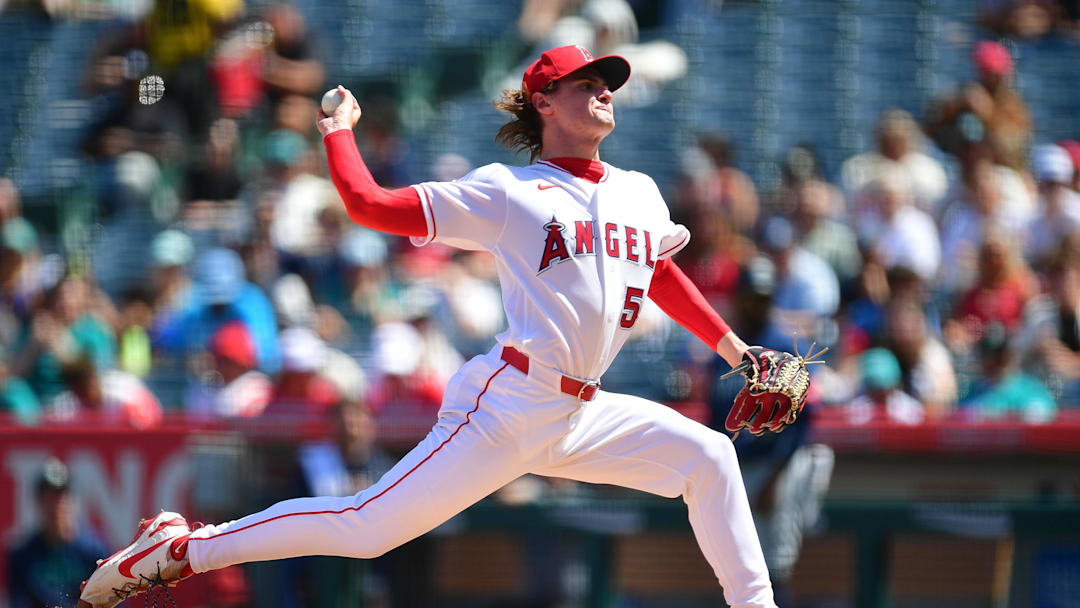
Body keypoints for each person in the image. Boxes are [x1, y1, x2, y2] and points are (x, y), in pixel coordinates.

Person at [80, 45, 784, 608]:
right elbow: (370, 205)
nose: (604, 88)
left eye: (608, 80)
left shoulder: (639, 192)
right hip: (509, 406)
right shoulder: (509, 193)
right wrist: (338, 134)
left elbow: (656, 272)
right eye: (585, 81)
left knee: (710, 461)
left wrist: (736, 349)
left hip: (584, 408)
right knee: (365, 530)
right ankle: (183, 550)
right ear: (543, 100)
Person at [8, 458, 106, 608]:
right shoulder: (23, 557)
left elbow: (114, 601)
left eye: (60, 496)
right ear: (39, 502)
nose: (55, 506)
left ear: (72, 500)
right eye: (49, 498)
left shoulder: (95, 553)